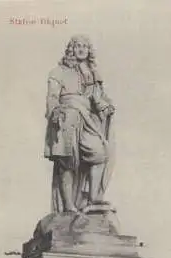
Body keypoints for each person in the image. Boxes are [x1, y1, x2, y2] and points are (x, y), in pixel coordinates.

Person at [44, 35, 115, 213]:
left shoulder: (92, 73)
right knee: (67, 160)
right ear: (71, 50)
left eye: (85, 46)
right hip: (66, 118)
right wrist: (54, 111)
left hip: (86, 118)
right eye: (77, 46)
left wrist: (105, 107)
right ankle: (69, 205)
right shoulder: (58, 72)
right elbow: (52, 97)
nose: (82, 49)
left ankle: (93, 199)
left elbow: (96, 98)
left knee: (100, 153)